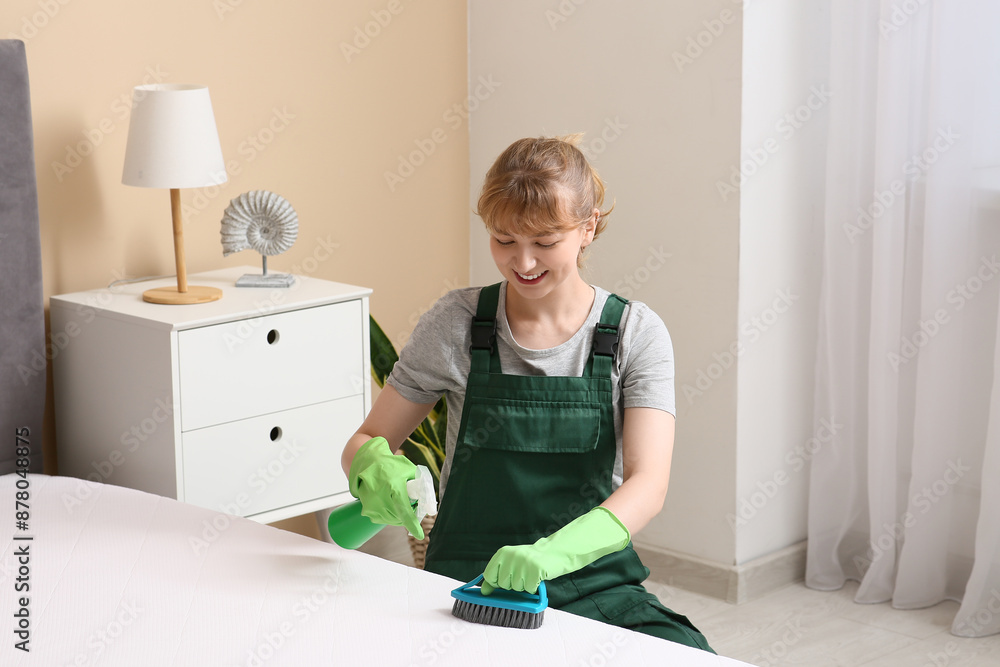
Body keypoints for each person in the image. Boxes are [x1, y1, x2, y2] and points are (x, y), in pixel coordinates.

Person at [341, 135, 713, 652]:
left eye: (544, 241)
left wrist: (551, 555)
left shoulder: (633, 332)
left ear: (588, 228)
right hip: (467, 587)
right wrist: (373, 467)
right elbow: (368, 438)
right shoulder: (457, 322)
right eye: (503, 239)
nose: (523, 262)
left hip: (591, 580)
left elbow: (649, 484)